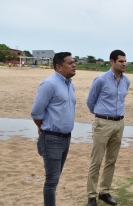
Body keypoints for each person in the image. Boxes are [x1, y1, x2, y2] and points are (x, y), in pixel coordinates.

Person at [31, 52, 76, 206]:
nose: (74, 65)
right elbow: (36, 112)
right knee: (51, 180)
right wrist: (42, 128)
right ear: (58, 67)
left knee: (55, 178)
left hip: (66, 138)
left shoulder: (70, 84)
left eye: (74, 62)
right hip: (51, 138)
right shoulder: (49, 84)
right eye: (69, 63)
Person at [86, 50, 130, 206]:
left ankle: (104, 192)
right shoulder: (101, 80)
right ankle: (91, 195)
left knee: (111, 160)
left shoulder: (126, 81)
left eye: (125, 61)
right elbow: (90, 102)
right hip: (102, 123)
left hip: (119, 123)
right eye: (120, 61)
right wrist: (101, 116)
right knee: (96, 160)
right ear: (112, 62)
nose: (124, 64)